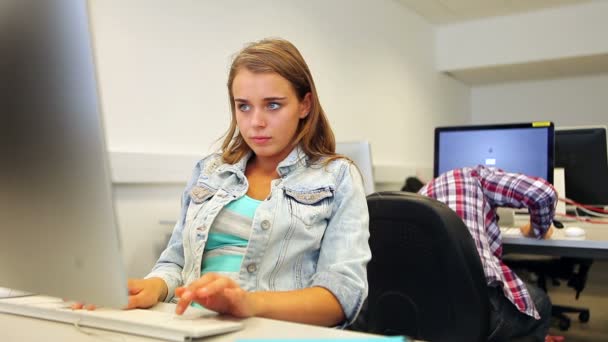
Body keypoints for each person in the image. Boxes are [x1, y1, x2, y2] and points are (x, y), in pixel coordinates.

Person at [74, 38, 371, 327]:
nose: (256, 122)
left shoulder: (338, 177)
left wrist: (250, 303)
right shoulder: (211, 171)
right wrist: (155, 286)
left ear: (305, 105)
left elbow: (340, 299)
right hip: (190, 326)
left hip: (273, 333)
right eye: (243, 106)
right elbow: (175, 261)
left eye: (273, 105)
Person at [418, 165, 556, 342]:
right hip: (470, 310)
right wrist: (537, 230)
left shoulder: (422, 192)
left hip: (425, 310)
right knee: (542, 303)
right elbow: (543, 193)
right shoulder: (478, 176)